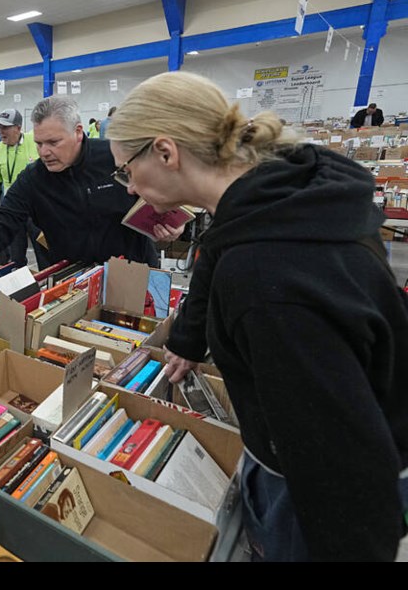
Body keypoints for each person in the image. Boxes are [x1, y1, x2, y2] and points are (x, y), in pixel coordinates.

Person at [105, 70, 408, 562]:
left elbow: (340, 465)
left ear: (165, 151)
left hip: (313, 494)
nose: (127, 187)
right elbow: (218, 247)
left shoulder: (268, 274)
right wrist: (186, 337)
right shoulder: (275, 193)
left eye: (125, 169)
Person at [0, 96, 181, 289]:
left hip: (133, 274)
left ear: (78, 132)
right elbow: (2, 220)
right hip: (74, 283)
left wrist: (172, 225)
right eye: (39, 143)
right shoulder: (34, 178)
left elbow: (162, 195)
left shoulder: (114, 157)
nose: (44, 152)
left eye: (53, 142)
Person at [0, 108, 49, 269]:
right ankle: (21, 288)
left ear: (18, 128)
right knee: (16, 256)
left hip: (37, 210)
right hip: (13, 210)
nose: (1, 131)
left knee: (44, 251)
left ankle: (49, 282)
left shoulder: (34, 142)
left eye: (6, 127)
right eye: (0, 126)